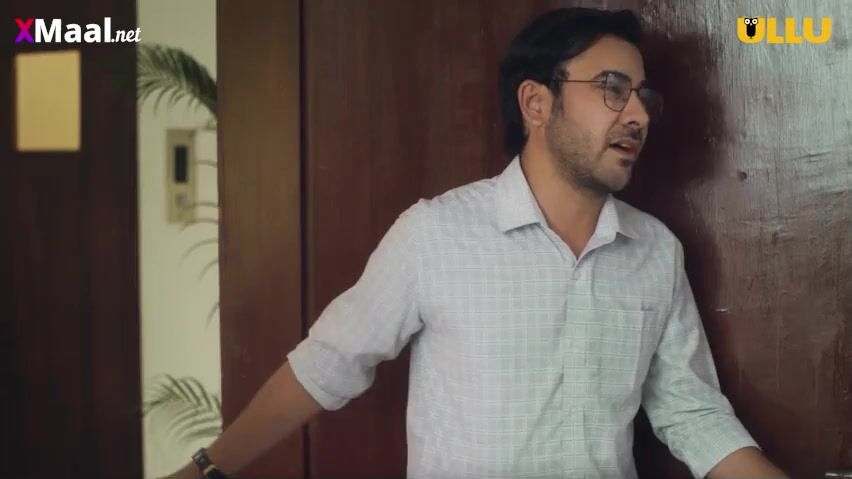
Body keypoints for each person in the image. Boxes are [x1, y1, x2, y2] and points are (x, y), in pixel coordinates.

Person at [166, 7, 789, 479]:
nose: (638, 115)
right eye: (611, 88)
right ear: (536, 102)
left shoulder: (655, 250)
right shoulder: (436, 234)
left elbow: (691, 413)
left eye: (642, 95)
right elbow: (327, 365)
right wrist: (205, 468)